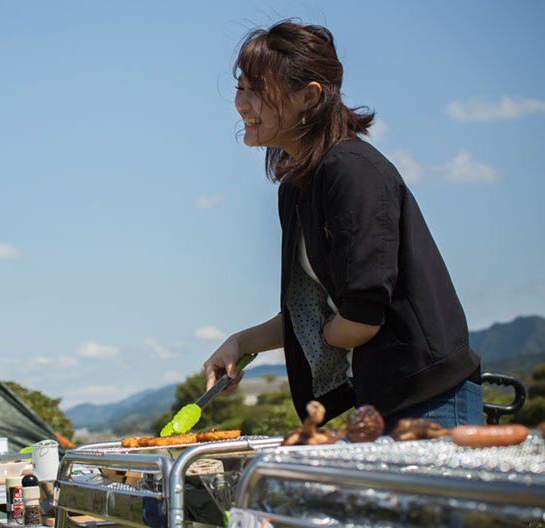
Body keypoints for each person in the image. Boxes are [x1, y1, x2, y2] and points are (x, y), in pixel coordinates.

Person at [203, 20, 483, 432]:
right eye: (240, 88)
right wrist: (240, 343)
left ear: (308, 96)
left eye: (257, 90)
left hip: (427, 395)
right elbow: (314, 311)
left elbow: (359, 319)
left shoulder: (350, 170)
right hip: (380, 398)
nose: (243, 104)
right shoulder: (298, 188)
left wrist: (328, 336)